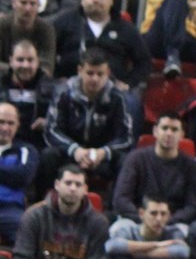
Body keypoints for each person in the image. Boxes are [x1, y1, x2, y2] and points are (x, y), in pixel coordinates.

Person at [40, 47, 134, 190]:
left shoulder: (117, 98)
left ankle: (115, 202)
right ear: (80, 71)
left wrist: (103, 152)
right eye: (90, 73)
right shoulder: (64, 93)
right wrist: (75, 150)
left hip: (102, 156)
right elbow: (52, 130)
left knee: (126, 160)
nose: (95, 79)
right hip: (71, 154)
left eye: (100, 74)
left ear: (108, 73)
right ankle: (47, 197)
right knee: (49, 155)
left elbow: (125, 137)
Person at [51, 0, 151, 99]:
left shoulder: (126, 29)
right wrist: (57, 77)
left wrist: (128, 83)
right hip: (69, 89)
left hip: (113, 93)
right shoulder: (64, 23)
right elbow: (48, 53)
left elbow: (144, 62)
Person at [112, 113, 196, 224]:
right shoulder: (135, 159)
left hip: (173, 224)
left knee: (183, 232)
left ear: (182, 135)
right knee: (119, 229)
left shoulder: (192, 167)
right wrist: (146, 219)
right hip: (137, 221)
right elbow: (121, 199)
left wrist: (166, 221)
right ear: (155, 131)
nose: (169, 133)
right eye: (164, 128)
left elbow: (192, 207)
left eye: (174, 129)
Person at [1, 39, 53, 144]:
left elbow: (63, 122)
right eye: (20, 60)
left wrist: (48, 123)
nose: (25, 65)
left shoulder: (52, 88)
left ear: (37, 62)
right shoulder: (2, 85)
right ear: (11, 61)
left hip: (38, 144)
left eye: (30, 60)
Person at [0, 102, 38, 243]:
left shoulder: (26, 150)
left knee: (27, 235)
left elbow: (23, 177)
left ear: (18, 126)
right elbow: (14, 175)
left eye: (10, 123)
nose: (5, 128)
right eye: (1, 122)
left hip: (10, 209)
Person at [0, 0, 57, 77]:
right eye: (23, 3)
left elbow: (47, 68)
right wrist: (20, 70)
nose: (28, 8)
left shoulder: (46, 29)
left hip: (36, 82)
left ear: (38, 6)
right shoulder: (2, 25)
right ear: (14, 3)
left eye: (32, 4)